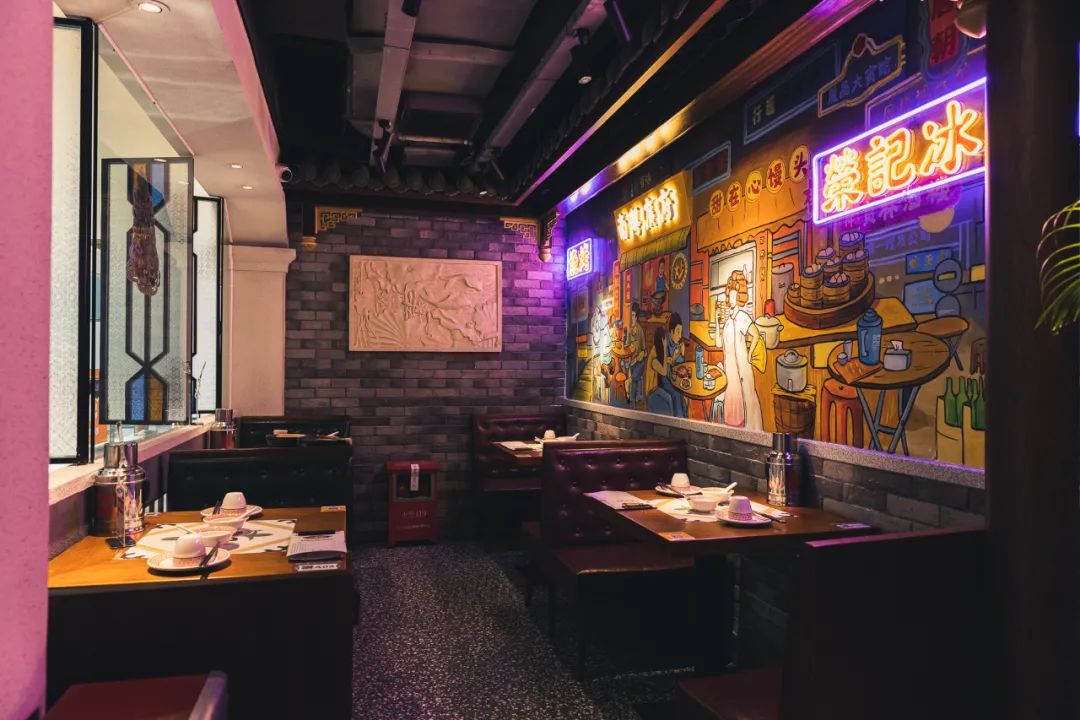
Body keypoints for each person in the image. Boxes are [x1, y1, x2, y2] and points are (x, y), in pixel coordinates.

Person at [717, 275, 764, 430]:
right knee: (734, 408)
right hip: (730, 371)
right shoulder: (728, 322)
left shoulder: (743, 317)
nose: (731, 299)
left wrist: (750, 354)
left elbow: (756, 334)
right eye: (730, 295)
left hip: (742, 369)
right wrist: (717, 323)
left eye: (734, 296)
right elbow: (720, 344)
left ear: (739, 297)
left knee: (747, 405)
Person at [646, 312, 688, 418]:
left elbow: (677, 365)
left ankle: (683, 420)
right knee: (676, 395)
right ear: (671, 331)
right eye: (678, 332)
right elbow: (666, 369)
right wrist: (674, 355)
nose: (680, 335)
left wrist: (681, 355)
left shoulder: (676, 344)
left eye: (681, 332)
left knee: (681, 396)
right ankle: (679, 421)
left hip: (671, 379)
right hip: (664, 381)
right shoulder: (663, 344)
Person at [624, 302, 645, 404]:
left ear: (636, 317)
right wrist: (628, 358)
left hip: (639, 362)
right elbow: (627, 346)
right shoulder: (629, 330)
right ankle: (631, 399)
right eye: (630, 315)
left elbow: (643, 350)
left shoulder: (640, 330)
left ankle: (629, 385)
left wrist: (636, 359)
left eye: (633, 315)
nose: (631, 318)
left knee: (632, 378)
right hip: (632, 361)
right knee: (632, 380)